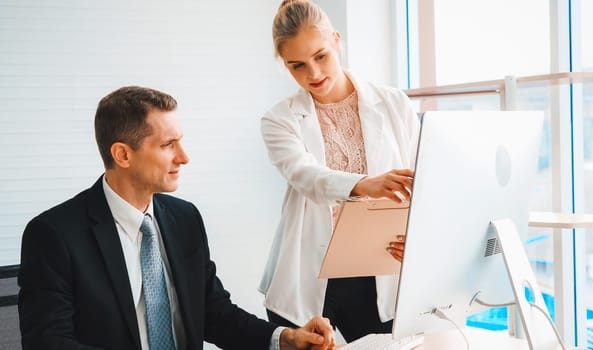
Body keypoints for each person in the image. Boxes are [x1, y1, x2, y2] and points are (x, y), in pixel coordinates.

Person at [18, 86, 336, 350]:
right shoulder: (54, 234)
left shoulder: (184, 218)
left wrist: (284, 338)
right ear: (122, 155)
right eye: (168, 145)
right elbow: (49, 342)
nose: (184, 157)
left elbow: (213, 312)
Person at [258, 0, 420, 344]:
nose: (313, 75)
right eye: (297, 66)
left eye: (321, 56)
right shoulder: (279, 119)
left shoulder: (394, 103)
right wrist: (365, 184)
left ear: (336, 39)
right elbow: (307, 176)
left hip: (381, 270)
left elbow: (424, 185)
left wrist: (418, 239)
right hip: (310, 275)